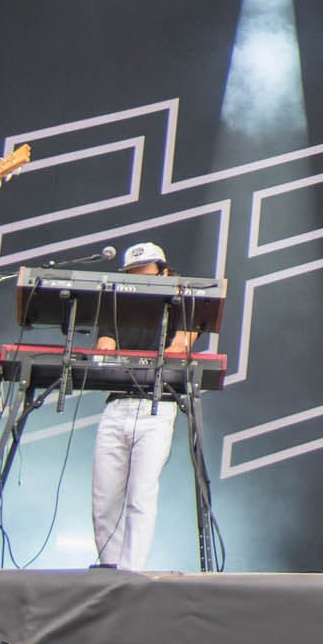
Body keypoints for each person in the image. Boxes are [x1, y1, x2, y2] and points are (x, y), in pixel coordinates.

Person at [89, 241, 199, 571]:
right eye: (133, 274)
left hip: (157, 406)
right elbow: (104, 350)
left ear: (163, 272)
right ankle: (110, 569)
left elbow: (180, 348)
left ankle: (131, 572)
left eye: (144, 272)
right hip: (117, 405)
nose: (139, 279)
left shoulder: (184, 305)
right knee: (103, 500)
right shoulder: (115, 308)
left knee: (141, 496)